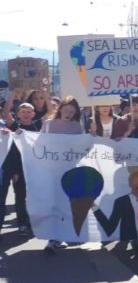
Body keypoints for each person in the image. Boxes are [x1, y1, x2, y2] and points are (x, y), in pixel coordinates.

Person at [37, 97, 84, 254]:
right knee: (52, 203)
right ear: (61, 109)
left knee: (64, 204)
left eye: (72, 111)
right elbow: (38, 143)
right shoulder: (48, 124)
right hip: (50, 171)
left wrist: (90, 135)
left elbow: (82, 149)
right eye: (66, 110)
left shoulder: (77, 127)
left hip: (68, 171)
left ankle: (57, 237)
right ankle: (53, 236)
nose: (69, 114)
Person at [92, 167, 138, 258]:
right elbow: (109, 227)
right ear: (129, 182)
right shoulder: (121, 201)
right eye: (135, 180)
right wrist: (94, 207)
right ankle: (137, 243)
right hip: (128, 234)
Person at [0, 103, 41, 236]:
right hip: (12, 166)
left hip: (29, 168)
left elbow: (50, 113)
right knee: (11, 197)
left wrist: (46, 92)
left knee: (27, 197)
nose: (26, 114)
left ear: (33, 114)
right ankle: (16, 225)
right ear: (17, 114)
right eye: (22, 111)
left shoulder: (37, 126)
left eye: (29, 111)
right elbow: (6, 114)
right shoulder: (14, 127)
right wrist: (12, 92)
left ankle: (27, 223)